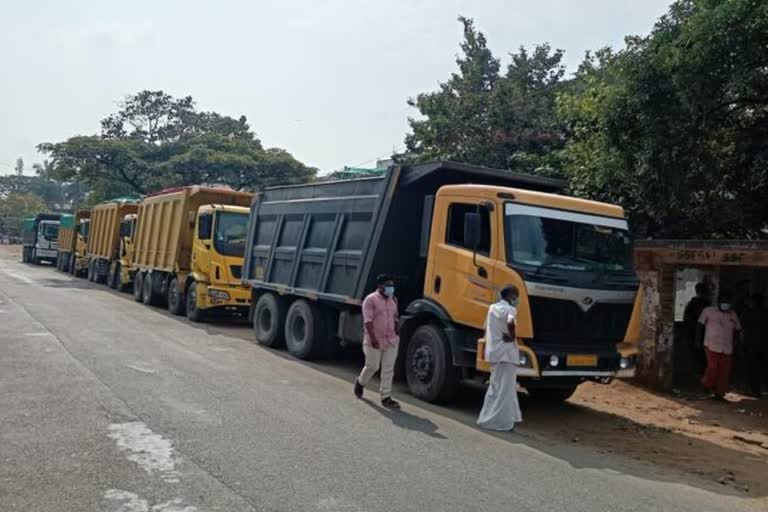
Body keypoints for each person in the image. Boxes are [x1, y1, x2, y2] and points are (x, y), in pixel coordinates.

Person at [477, 285, 523, 431]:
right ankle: (498, 422)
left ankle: (512, 418)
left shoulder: (492, 309)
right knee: (505, 390)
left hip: (495, 354)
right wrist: (512, 335)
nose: (518, 300)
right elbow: (510, 321)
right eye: (516, 296)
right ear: (511, 296)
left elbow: (485, 327)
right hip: (507, 355)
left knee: (496, 387)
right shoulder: (510, 310)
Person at [354, 274, 401, 409]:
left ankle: (385, 397)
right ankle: (360, 382)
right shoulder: (370, 300)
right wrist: (373, 339)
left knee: (388, 369)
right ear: (380, 286)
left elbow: (395, 316)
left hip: (391, 339)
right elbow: (368, 321)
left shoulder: (393, 299)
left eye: (392, 285)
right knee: (373, 366)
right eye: (388, 285)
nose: (390, 288)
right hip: (374, 339)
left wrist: (397, 331)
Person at [698, 292, 742, 400]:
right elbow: (699, 326)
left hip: (727, 347)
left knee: (724, 371)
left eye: (727, 302)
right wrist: (697, 341)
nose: (725, 304)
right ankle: (706, 385)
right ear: (718, 302)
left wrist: (737, 343)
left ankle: (719, 394)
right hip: (711, 345)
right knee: (712, 367)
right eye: (723, 302)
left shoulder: (733, 314)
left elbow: (738, 330)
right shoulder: (708, 311)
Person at [740, 294, 767, 397]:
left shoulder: (747, 313)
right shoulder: (765, 312)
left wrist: (742, 344)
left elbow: (741, 329)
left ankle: (755, 391)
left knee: (752, 370)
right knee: (762, 369)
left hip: (751, 346)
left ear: (753, 302)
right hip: (763, 346)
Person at [684, 283, 711, 375]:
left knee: (700, 356)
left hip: (699, 333)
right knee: (700, 356)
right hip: (697, 332)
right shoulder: (697, 304)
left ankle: (702, 374)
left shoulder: (697, 304)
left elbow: (687, 319)